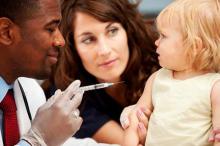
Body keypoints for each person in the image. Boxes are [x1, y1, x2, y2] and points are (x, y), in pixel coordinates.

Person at [0, 0, 118, 146]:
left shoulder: (29, 90)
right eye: (50, 29)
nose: (60, 41)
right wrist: (35, 141)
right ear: (6, 32)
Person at [42, 0, 159, 145]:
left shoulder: (162, 62)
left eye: (112, 31)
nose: (104, 50)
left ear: (128, 30)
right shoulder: (69, 94)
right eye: (88, 39)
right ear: (72, 48)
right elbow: (129, 142)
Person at [121, 0, 220, 145]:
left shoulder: (215, 87)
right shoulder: (157, 78)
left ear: (194, 46)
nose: (156, 42)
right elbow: (135, 118)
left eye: (163, 36)